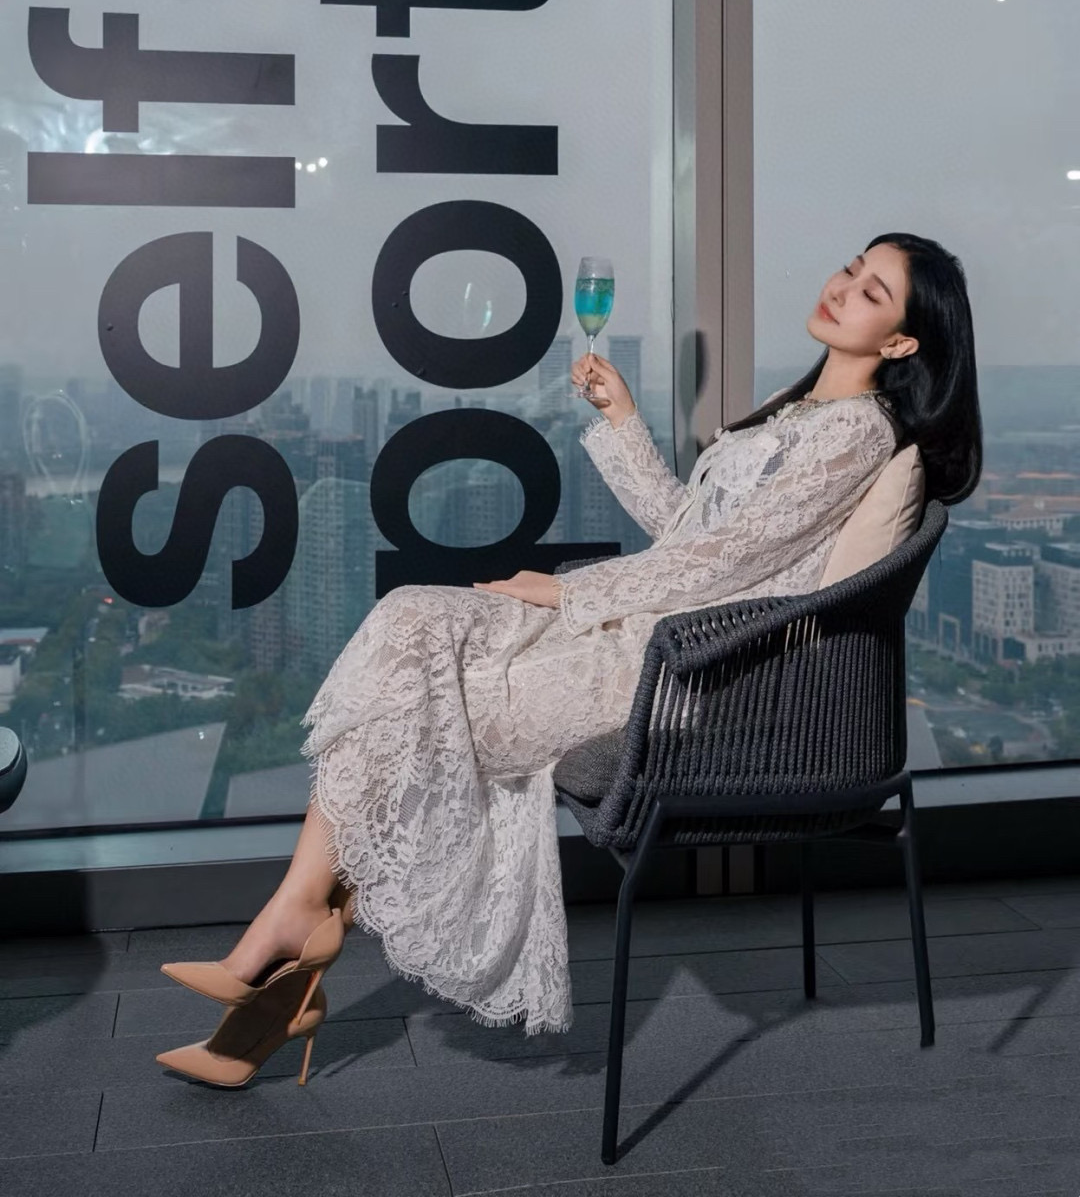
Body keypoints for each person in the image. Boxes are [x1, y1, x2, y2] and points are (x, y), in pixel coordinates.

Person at [156, 231, 981, 1085]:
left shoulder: (856, 433)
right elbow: (688, 534)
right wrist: (621, 421)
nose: (842, 287)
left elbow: (724, 563)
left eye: (872, 292)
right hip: (640, 630)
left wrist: (566, 592)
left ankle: (279, 961)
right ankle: (293, 932)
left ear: (901, 343)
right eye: (851, 268)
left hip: (675, 671)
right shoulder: (794, 408)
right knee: (409, 622)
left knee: (407, 702)